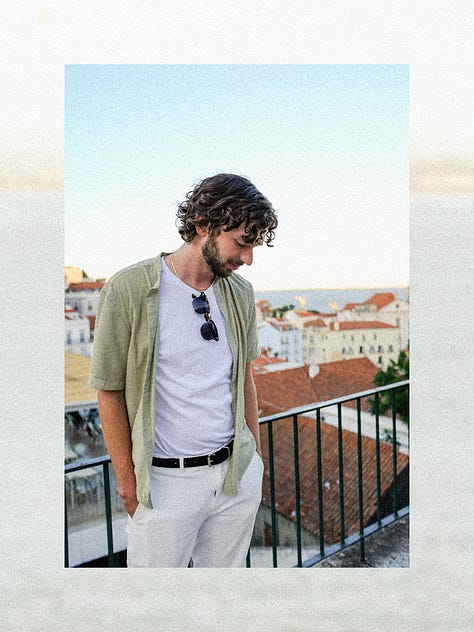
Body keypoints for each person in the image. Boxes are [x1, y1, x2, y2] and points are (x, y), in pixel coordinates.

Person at [88, 173, 277, 567]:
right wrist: (128, 486)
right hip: (165, 486)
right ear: (203, 225)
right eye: (242, 243)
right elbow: (109, 389)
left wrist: (253, 458)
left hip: (234, 479)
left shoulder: (239, 293)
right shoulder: (128, 289)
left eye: (254, 246)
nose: (248, 259)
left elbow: (244, 375)